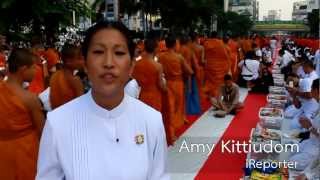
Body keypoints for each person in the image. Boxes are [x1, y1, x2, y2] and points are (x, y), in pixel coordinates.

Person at [36, 21, 169, 180]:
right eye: (98, 52)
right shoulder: (57, 123)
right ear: (85, 63)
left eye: (119, 53)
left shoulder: (151, 120)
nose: (108, 63)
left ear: (132, 65)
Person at [0, 48, 44, 180]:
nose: (36, 71)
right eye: (34, 68)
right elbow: (42, 131)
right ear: (24, 69)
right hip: (25, 151)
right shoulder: (30, 99)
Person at [158, 35, 193, 141]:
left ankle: (170, 127)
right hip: (177, 83)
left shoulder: (161, 56)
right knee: (177, 106)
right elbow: (190, 71)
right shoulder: (179, 57)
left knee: (169, 107)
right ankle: (172, 130)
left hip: (166, 83)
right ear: (174, 45)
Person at [289, 79, 320, 179]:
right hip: (310, 141)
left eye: (311, 89)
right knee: (291, 149)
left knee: (291, 162)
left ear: (316, 90)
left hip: (316, 149)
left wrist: (309, 127)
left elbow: (313, 129)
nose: (310, 91)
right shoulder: (318, 104)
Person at [132, 38, 166, 112]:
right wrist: (167, 90)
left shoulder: (137, 64)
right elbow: (161, 84)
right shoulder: (158, 66)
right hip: (154, 96)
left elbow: (134, 79)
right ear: (155, 49)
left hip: (142, 94)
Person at [49, 44, 84, 110]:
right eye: (79, 58)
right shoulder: (75, 80)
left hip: (56, 115)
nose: (82, 61)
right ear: (69, 61)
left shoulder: (54, 75)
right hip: (71, 117)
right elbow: (81, 106)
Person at [203, 31, 231, 97]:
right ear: (217, 36)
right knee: (218, 83)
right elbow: (225, 55)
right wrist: (228, 64)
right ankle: (216, 96)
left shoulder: (206, 43)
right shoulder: (220, 43)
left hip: (209, 65)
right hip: (219, 66)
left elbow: (205, 54)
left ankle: (211, 94)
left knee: (210, 81)